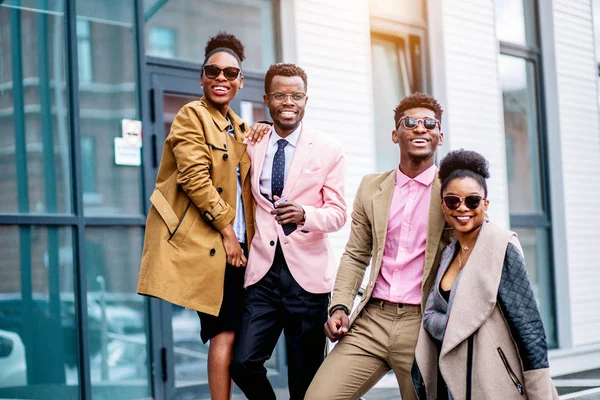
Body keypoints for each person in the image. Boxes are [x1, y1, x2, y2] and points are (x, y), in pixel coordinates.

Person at [136, 32, 269, 400]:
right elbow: (195, 179)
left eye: (230, 73)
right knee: (223, 332)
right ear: (201, 77)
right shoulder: (191, 115)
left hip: (244, 250)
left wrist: (265, 130)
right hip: (216, 248)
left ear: (241, 81)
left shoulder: (241, 127)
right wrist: (228, 236)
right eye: (213, 71)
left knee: (243, 338)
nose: (221, 79)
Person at [305, 92, 450, 400]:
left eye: (429, 123)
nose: (420, 128)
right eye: (410, 122)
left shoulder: (451, 192)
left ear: (440, 134)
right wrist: (340, 306)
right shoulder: (372, 187)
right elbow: (356, 254)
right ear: (396, 134)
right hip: (371, 320)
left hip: (421, 324)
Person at [228, 63, 347, 400]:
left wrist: (305, 213)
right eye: (280, 95)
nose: (288, 102)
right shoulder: (253, 142)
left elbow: (338, 214)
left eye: (296, 95)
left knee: (305, 382)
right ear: (267, 99)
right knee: (242, 363)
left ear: (306, 100)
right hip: (262, 274)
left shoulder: (328, 149)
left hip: (307, 281)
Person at [411, 149, 559, 400]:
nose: (462, 208)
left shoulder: (501, 247)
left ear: (485, 204)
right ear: (443, 206)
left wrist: (540, 394)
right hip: (454, 382)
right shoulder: (448, 253)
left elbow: (529, 328)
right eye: (452, 201)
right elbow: (434, 314)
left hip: (494, 385)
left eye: (472, 201)